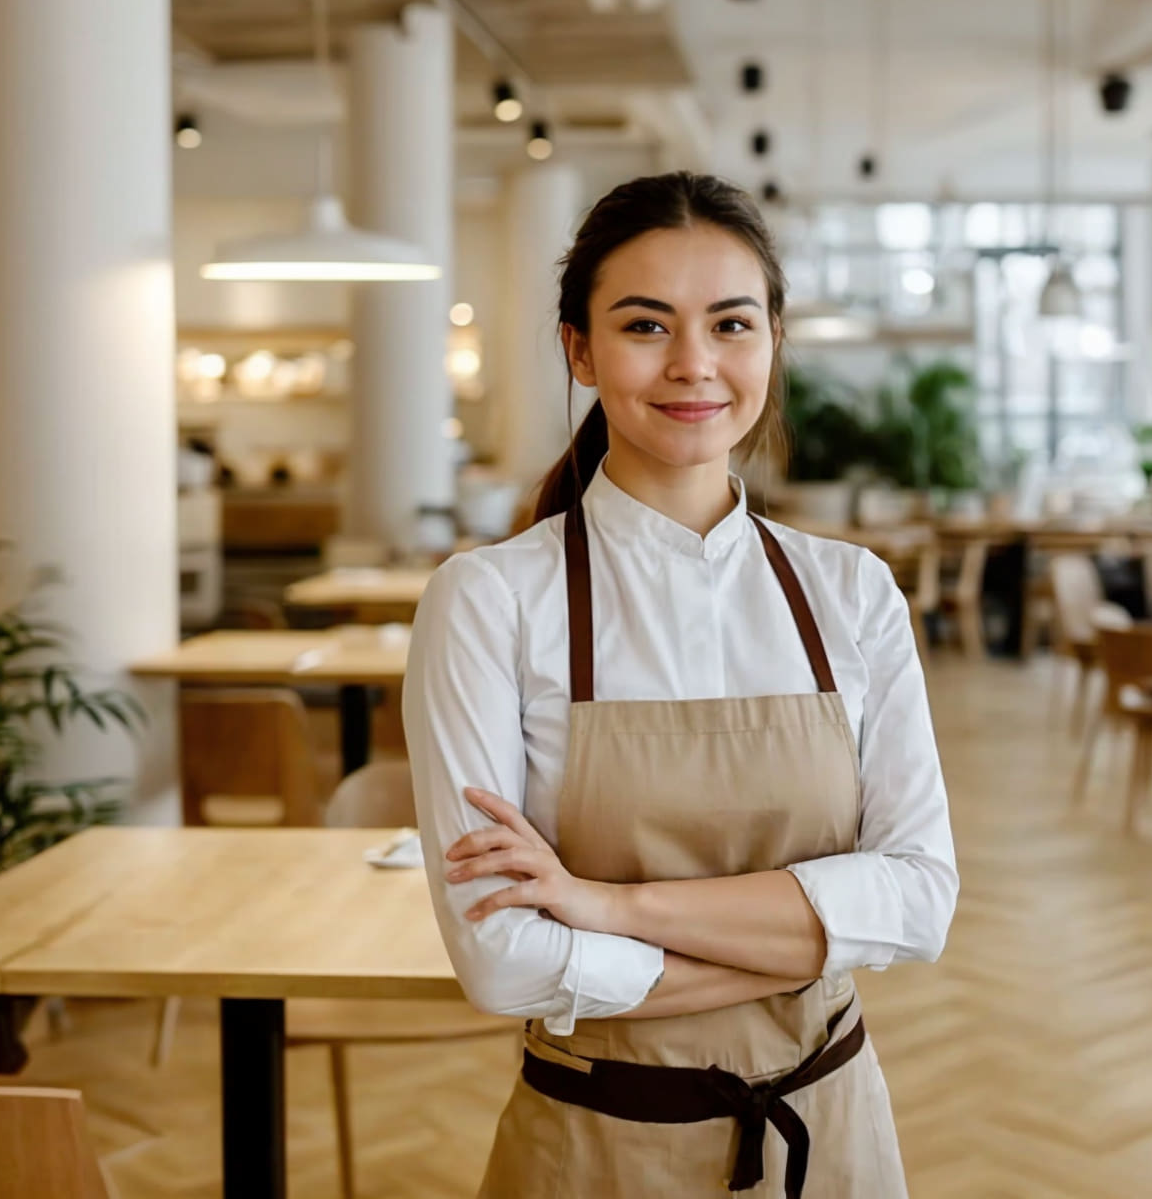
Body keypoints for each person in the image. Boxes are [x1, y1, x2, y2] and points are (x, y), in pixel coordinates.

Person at [403, 171, 958, 1197]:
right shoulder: (487, 601)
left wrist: (604, 904)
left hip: (829, 1139)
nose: (694, 364)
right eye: (645, 325)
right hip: (596, 1149)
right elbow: (503, 961)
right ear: (580, 348)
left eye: (731, 323)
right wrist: (803, 942)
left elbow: (921, 899)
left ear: (771, 340)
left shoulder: (852, 593)